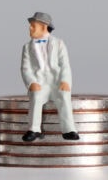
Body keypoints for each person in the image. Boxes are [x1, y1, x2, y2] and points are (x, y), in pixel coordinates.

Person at [20, 12, 79, 142]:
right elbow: (25, 68)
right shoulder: (27, 47)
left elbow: (65, 64)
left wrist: (65, 81)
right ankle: (34, 129)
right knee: (35, 97)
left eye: (33, 26)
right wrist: (31, 82)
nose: (30, 29)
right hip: (39, 82)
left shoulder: (59, 43)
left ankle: (69, 129)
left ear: (43, 27)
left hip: (56, 81)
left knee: (64, 97)